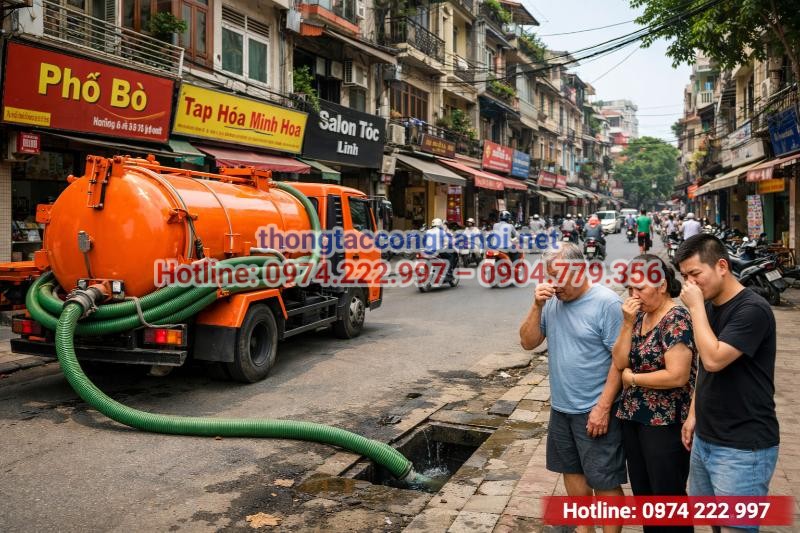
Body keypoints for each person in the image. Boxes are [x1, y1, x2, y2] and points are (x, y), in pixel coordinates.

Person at [675, 235, 779, 533]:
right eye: (685, 277)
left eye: (695, 274)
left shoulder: (752, 310)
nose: (690, 284)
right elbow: (704, 371)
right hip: (707, 438)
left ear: (722, 266)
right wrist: (694, 414)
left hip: (743, 447)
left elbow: (714, 359)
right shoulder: (708, 306)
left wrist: (694, 307)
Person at [520, 243, 625, 533]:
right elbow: (528, 342)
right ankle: (584, 527)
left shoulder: (607, 303)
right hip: (561, 407)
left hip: (594, 409)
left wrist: (603, 407)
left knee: (604, 479)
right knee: (571, 470)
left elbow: (620, 361)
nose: (552, 284)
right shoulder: (551, 302)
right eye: (548, 276)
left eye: (558, 276)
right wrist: (537, 305)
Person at [612, 255, 696, 533]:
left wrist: (633, 379)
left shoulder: (676, 318)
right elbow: (620, 361)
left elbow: (678, 375)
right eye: (630, 289)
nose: (634, 296)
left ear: (661, 284)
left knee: (667, 498)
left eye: (640, 289)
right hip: (635, 418)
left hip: (665, 423)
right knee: (645, 498)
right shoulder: (639, 317)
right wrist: (626, 324)